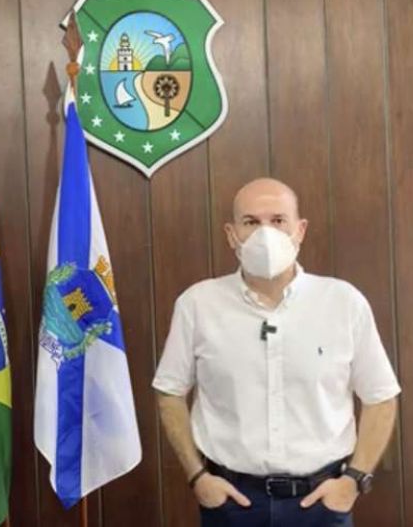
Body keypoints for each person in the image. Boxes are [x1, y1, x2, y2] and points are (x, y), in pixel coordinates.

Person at [153, 178, 400, 527]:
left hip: (321, 504)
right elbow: (169, 391)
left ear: (300, 230)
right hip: (231, 504)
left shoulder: (343, 302)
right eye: (251, 222)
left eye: (278, 220)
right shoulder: (197, 304)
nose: (265, 233)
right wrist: (198, 477)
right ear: (231, 234)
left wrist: (353, 481)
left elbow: (381, 397)